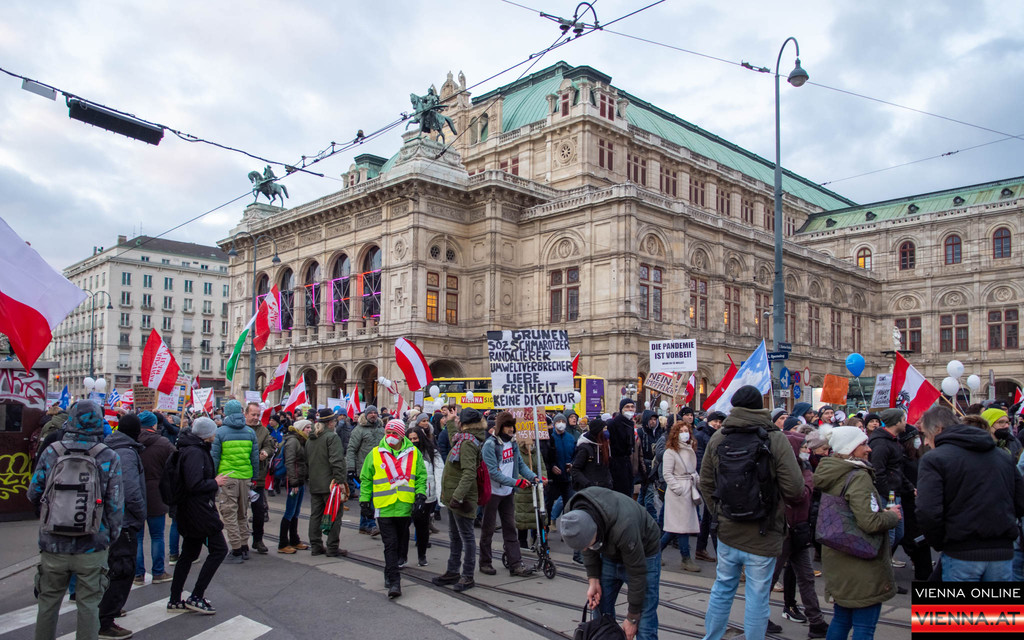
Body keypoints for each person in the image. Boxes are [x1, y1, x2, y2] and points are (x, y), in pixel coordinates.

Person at [698, 386, 804, 640]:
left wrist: (719, 513)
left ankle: (712, 637)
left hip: (728, 529)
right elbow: (795, 488)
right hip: (764, 530)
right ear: (761, 407)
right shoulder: (775, 438)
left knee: (723, 588)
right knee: (757, 595)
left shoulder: (719, 436)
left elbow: (706, 482)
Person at [29, 401, 124, 640]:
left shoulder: (53, 451)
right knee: (89, 604)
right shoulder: (108, 456)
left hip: (53, 543)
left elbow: (33, 492)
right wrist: (110, 536)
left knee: (48, 602)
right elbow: (115, 505)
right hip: (93, 543)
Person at [813, 425, 901, 640]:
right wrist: (892, 516)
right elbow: (869, 522)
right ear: (850, 448)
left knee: (842, 619)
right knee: (864, 625)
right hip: (861, 560)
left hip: (838, 554)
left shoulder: (832, 471)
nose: (869, 449)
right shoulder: (858, 476)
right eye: (863, 444)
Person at [916, 406, 1024, 582]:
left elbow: (927, 511)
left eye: (926, 436)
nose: (926, 442)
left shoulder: (935, 459)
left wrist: (941, 542)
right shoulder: (1002, 456)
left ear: (938, 430)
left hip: (962, 551)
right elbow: (1020, 502)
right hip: (1001, 550)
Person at [560, 486, 662, 640]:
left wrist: (632, 618)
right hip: (610, 548)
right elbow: (587, 546)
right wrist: (593, 580)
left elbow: (637, 573)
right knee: (601, 609)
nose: (586, 550)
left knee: (645, 621)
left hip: (644, 550)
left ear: (595, 530)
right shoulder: (573, 517)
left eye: (588, 545)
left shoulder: (624, 526)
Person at [765, 429, 829, 638]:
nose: (807, 451)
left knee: (806, 577)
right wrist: (807, 479)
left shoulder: (802, 468)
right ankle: (759, 617)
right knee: (770, 577)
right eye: (803, 447)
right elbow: (800, 495)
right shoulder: (785, 470)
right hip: (783, 531)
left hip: (798, 530)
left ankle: (816, 621)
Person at [359, 419, 427, 598]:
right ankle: (395, 582)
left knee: (400, 544)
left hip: (404, 506)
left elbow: (421, 476)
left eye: (394, 433)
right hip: (384, 506)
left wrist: (421, 495)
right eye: (388, 433)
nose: (390, 436)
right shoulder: (375, 453)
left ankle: (389, 572)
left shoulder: (414, 453)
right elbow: (366, 478)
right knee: (390, 544)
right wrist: (364, 500)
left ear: (402, 435)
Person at [168, 417, 229, 615]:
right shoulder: (195, 452)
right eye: (213, 431)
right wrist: (215, 482)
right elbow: (194, 484)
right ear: (206, 434)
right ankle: (196, 595)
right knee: (219, 550)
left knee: (188, 554)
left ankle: (175, 599)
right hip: (198, 511)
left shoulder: (190, 448)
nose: (215, 433)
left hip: (191, 510)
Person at [98, 414, 146, 639]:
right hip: (123, 521)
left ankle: (106, 612)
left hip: (111, 519)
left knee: (114, 567)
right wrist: (140, 513)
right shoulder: (126, 452)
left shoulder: (112, 446)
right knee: (122, 569)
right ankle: (106, 620)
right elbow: (130, 490)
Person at [479, 411, 541, 577]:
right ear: (500, 427)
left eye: (512, 426)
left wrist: (533, 477)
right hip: (492, 492)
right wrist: (516, 482)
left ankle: (516, 564)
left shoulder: (513, 443)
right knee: (488, 529)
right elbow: (492, 473)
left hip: (507, 492)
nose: (511, 429)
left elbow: (519, 464)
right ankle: (485, 562)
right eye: (507, 426)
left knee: (510, 528)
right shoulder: (490, 445)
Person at [434, 407, 488, 592]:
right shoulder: (464, 439)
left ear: (465, 424)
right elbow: (454, 440)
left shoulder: (468, 443)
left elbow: (469, 473)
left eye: (459, 420)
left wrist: (457, 496)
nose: (457, 421)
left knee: (466, 537)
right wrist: (450, 422)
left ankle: (467, 575)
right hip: (454, 497)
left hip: (461, 498)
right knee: (455, 536)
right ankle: (453, 571)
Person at [211, 400, 258, 564]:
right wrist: (254, 477)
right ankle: (245, 546)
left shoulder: (220, 432)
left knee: (229, 514)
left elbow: (215, 457)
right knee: (242, 513)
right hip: (246, 477)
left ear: (227, 412)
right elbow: (254, 458)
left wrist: (213, 477)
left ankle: (236, 549)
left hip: (227, 477)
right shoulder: (250, 432)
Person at [135, 410, 174, 587]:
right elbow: (176, 462)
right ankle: (158, 572)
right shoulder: (163, 442)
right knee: (157, 535)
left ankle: (138, 574)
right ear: (153, 424)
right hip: (157, 492)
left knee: (137, 537)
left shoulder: (131, 441)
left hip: (136, 492)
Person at [305, 410, 349, 557]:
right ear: (330, 423)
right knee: (334, 516)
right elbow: (337, 460)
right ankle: (332, 547)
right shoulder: (332, 437)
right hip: (331, 485)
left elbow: (307, 461)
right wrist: (340, 481)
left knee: (315, 516)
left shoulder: (311, 439)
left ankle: (316, 546)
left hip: (315, 483)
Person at [868, 408, 911, 556]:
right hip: (887, 495)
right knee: (889, 536)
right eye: (903, 420)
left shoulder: (893, 440)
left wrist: (910, 487)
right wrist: (888, 495)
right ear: (896, 422)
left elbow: (896, 468)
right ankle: (881, 565)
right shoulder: (881, 443)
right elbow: (878, 471)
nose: (906, 423)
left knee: (898, 534)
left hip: (894, 493)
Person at [661, 419, 701, 573]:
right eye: (682, 431)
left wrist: (696, 480)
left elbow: (692, 470)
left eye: (687, 431)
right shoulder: (670, 452)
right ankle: (686, 558)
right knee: (681, 527)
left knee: (677, 527)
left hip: (688, 489)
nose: (685, 434)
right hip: (678, 493)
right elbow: (667, 473)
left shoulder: (689, 448)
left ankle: (655, 552)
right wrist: (678, 488)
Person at [346, 405, 385, 535]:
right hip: (364, 469)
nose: (373, 415)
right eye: (370, 413)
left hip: (379, 469)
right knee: (369, 498)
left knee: (371, 498)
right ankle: (371, 524)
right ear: (366, 415)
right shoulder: (359, 430)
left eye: (375, 412)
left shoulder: (381, 429)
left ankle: (363, 525)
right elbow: (351, 449)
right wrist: (350, 468)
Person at [408, 425, 444, 565]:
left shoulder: (431, 452)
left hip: (427, 495)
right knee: (405, 526)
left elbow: (439, 473)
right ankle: (402, 556)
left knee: (422, 526)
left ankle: (422, 555)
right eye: (410, 439)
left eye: (415, 438)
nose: (413, 441)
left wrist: (440, 495)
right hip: (407, 494)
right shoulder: (404, 453)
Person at [694, 410, 725, 563]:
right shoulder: (701, 436)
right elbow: (701, 461)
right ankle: (720, 554)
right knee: (713, 519)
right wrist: (705, 480)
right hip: (708, 482)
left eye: (720, 422)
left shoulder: (720, 436)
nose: (717, 424)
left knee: (708, 517)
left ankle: (700, 548)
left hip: (716, 481)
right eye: (715, 421)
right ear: (708, 421)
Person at [245, 402, 276, 555]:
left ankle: (258, 540)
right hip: (242, 476)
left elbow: (270, 446)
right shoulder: (240, 429)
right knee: (240, 512)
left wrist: (266, 452)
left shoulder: (263, 430)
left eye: (258, 415)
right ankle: (241, 543)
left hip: (258, 476)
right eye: (253, 415)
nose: (256, 417)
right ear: (246, 414)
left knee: (258, 511)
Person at [278, 419, 312, 554]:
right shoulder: (293, 441)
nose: (309, 430)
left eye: (310, 427)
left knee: (296, 511)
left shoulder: (301, 440)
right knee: (290, 511)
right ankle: (282, 543)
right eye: (307, 427)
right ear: (300, 429)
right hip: (294, 481)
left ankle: (294, 539)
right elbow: (290, 462)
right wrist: (293, 482)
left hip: (300, 480)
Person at [543, 412, 577, 522]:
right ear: (554, 424)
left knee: (568, 505)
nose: (561, 424)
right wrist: (552, 466)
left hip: (567, 478)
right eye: (558, 421)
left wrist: (572, 464)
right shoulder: (549, 438)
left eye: (563, 421)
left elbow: (575, 455)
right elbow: (546, 457)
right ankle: (547, 525)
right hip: (553, 478)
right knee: (548, 503)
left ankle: (566, 526)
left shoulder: (571, 438)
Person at [571, 417, 613, 491]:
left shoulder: (604, 445)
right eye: (604, 429)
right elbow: (575, 469)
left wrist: (609, 481)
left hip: (604, 488)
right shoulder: (585, 448)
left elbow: (606, 467)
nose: (606, 431)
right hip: (588, 490)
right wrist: (587, 484)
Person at [608, 399, 637, 496]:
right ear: (621, 409)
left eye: (632, 407)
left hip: (627, 463)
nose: (630, 409)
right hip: (616, 465)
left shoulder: (630, 423)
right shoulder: (613, 424)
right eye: (627, 407)